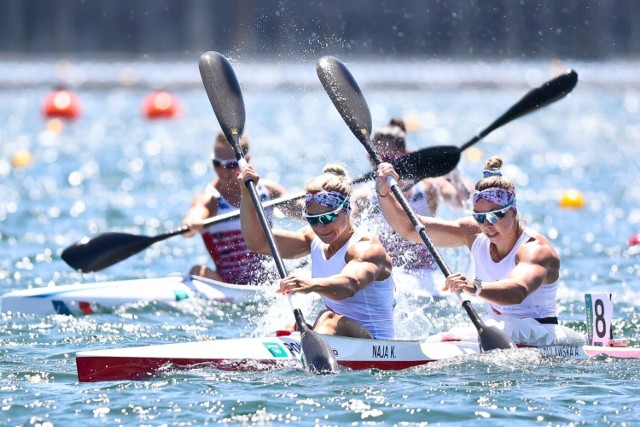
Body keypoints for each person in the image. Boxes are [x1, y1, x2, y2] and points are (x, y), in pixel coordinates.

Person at [375, 155, 560, 324]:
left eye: (494, 216)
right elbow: (409, 228)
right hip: (500, 330)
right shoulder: (473, 233)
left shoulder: (536, 250)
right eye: (479, 217)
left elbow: (518, 290)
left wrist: (474, 287)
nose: (486, 224)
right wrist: (384, 194)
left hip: (540, 334)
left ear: (513, 211)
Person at [238, 163, 396, 339]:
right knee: (294, 325)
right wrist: (247, 195)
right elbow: (257, 242)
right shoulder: (313, 239)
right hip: (340, 337)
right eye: (313, 220)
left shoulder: (367, 248)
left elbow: (349, 285)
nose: (321, 227)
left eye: (328, 217)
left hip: (376, 344)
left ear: (346, 209)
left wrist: (311, 284)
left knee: (326, 318)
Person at [352, 118, 473, 296]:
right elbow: (342, 224)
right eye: (374, 159)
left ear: (405, 155)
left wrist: (454, 176)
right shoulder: (364, 196)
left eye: (387, 159)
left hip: (427, 279)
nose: (380, 167)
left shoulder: (428, 187)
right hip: (385, 278)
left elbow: (465, 202)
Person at [181, 131, 290, 285]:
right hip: (230, 285)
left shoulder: (268, 191)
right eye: (217, 164)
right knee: (197, 271)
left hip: (270, 282)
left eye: (231, 165)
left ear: (246, 161)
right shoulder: (211, 199)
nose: (223, 172)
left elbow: (305, 212)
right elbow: (196, 214)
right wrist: (191, 223)